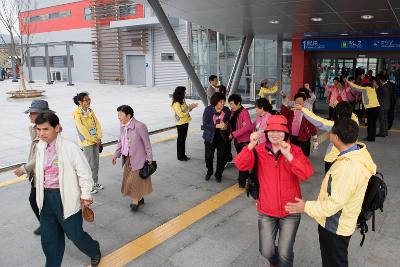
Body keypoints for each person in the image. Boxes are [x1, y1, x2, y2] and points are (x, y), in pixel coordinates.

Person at [285, 118, 376, 267]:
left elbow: (333, 205)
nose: (329, 135)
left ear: (336, 138)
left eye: (331, 133)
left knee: (334, 262)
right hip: (343, 221)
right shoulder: (359, 152)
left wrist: (305, 206)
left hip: (335, 226)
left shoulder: (348, 168)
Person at [235, 115, 314, 267]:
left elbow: (306, 174)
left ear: (286, 133)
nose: (275, 134)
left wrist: (289, 156)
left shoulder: (295, 150)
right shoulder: (259, 151)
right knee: (265, 250)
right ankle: (273, 262)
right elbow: (240, 164)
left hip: (290, 210)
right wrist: (251, 144)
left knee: (285, 253)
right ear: (266, 132)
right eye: (271, 130)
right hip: (266, 209)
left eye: (279, 130)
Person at [34, 113, 101, 267]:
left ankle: (93, 249)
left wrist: (85, 194)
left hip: (65, 197)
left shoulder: (70, 147)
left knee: (75, 235)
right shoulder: (40, 146)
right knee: (49, 238)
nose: (41, 133)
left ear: (57, 128)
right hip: (45, 198)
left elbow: (84, 173)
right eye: (38, 129)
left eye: (45, 129)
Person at [14, 100, 55, 235]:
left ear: (42, 114)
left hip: (47, 174)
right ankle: (46, 224)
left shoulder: (47, 130)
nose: (29, 115)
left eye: (32, 112)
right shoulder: (35, 128)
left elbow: (41, 155)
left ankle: (53, 226)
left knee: (38, 201)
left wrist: (24, 168)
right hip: (37, 173)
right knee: (37, 201)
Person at [294, 101, 359, 173]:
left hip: (332, 160)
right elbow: (351, 114)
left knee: (330, 183)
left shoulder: (334, 125)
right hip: (350, 158)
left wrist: (302, 109)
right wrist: (340, 107)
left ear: (337, 115)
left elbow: (317, 120)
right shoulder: (355, 122)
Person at [112, 105, 153, 211]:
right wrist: (116, 155)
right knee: (132, 180)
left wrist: (149, 159)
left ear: (128, 115)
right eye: (118, 115)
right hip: (127, 159)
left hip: (139, 158)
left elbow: (147, 144)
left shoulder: (140, 126)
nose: (118, 117)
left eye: (120, 115)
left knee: (133, 181)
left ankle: (135, 202)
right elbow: (120, 142)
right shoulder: (122, 127)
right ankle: (139, 198)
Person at [72, 92, 103, 194]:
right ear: (79, 102)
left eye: (89, 99)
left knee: (96, 163)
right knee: (89, 164)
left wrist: (99, 137)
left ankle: (95, 182)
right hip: (86, 143)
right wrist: (95, 139)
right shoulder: (77, 114)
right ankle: (88, 185)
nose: (88, 101)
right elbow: (83, 130)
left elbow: (97, 124)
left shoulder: (90, 111)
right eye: (86, 100)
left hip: (95, 140)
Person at [202, 92, 231, 182]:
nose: (223, 104)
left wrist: (225, 126)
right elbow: (205, 125)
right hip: (210, 137)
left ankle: (219, 174)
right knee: (208, 157)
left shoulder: (226, 110)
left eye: (223, 102)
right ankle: (210, 171)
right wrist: (215, 126)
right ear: (215, 102)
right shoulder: (208, 110)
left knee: (221, 158)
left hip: (222, 138)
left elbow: (228, 122)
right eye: (220, 102)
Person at [228, 94, 252, 188]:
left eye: (232, 104)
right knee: (243, 161)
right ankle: (245, 177)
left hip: (244, 141)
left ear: (238, 103)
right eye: (230, 104)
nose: (231, 106)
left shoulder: (244, 112)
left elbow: (247, 126)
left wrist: (234, 134)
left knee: (242, 161)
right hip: (238, 141)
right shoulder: (234, 112)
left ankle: (242, 182)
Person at [171, 86, 198, 161]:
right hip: (180, 123)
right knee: (181, 140)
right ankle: (180, 156)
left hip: (185, 121)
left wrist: (191, 107)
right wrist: (188, 109)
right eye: (184, 92)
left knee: (183, 139)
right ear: (180, 93)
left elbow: (186, 110)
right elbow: (181, 114)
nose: (185, 93)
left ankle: (182, 155)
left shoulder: (182, 100)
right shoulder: (176, 103)